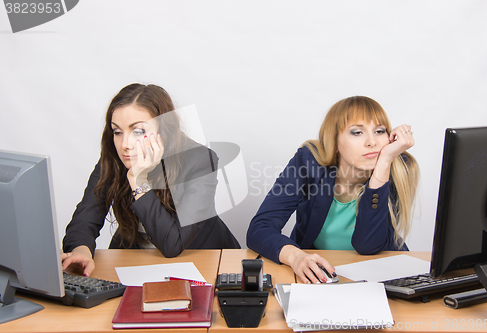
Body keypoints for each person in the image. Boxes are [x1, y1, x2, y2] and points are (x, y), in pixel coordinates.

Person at [62, 83, 240, 276]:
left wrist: (138, 181)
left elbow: (173, 244)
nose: (125, 144)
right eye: (117, 131)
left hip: (202, 259)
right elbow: (86, 216)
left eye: (137, 131)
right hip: (137, 259)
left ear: (164, 130)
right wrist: (81, 250)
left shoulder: (200, 160)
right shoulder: (114, 158)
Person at [246, 96, 419, 284]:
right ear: (334, 141)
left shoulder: (397, 167)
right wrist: (296, 257)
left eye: (379, 131)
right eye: (357, 132)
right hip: (323, 272)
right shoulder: (308, 161)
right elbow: (260, 228)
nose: (372, 142)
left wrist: (384, 163)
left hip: (382, 272)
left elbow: (368, 245)